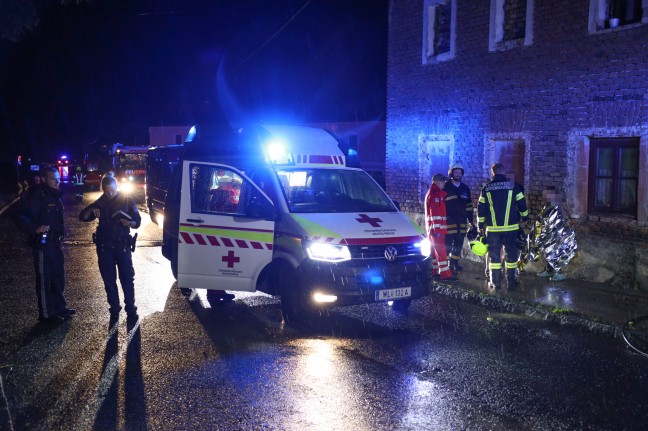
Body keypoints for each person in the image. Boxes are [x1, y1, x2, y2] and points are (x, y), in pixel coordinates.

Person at [15, 166, 75, 323]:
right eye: (53, 178)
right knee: (44, 280)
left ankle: (59, 308)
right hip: (42, 245)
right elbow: (20, 216)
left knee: (57, 277)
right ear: (43, 179)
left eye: (58, 177)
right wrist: (35, 228)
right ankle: (46, 315)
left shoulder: (54, 194)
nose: (58, 181)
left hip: (55, 243)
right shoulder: (37, 195)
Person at [79, 173, 141, 319]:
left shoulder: (127, 200)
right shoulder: (100, 202)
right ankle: (114, 307)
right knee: (109, 279)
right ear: (103, 190)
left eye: (112, 190)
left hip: (122, 246)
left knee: (127, 278)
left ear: (117, 186)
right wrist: (91, 210)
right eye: (107, 191)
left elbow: (137, 221)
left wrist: (129, 222)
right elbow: (83, 217)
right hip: (105, 246)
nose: (110, 194)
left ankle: (130, 307)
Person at [477, 162, 529, 290]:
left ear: (492, 173)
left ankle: (495, 283)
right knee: (511, 256)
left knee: (494, 257)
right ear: (503, 172)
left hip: (493, 230)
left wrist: (480, 225)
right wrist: (525, 217)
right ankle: (511, 283)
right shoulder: (513, 186)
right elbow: (522, 203)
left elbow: (480, 209)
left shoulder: (486, 188)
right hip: (511, 229)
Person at [532, 189, 578, 282]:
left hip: (557, 234)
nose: (544, 197)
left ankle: (560, 273)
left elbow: (558, 221)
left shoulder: (557, 206)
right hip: (549, 234)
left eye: (546, 194)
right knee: (549, 252)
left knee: (557, 253)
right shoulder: (549, 205)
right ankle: (549, 270)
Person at [425, 173, 457, 281]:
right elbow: (435, 213)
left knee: (434, 251)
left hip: (433, 229)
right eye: (442, 181)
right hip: (436, 229)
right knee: (441, 251)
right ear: (436, 182)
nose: (444, 183)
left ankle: (435, 271)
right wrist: (438, 229)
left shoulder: (435, 193)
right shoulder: (435, 194)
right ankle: (445, 274)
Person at [443, 163, 473, 275]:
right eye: (456, 172)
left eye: (460, 172)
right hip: (449, 222)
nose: (458, 174)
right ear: (451, 173)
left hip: (462, 222)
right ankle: (444, 266)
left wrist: (471, 221)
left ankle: (454, 263)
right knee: (447, 244)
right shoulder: (446, 187)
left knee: (458, 244)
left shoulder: (465, 188)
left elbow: (469, 206)